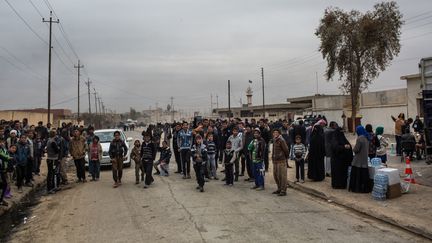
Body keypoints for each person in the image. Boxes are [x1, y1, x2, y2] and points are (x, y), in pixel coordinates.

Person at [349, 126, 372, 193]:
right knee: (363, 176)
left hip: (358, 160)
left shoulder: (360, 138)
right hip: (364, 159)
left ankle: (357, 188)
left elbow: (356, 149)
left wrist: (353, 148)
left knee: (357, 176)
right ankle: (364, 189)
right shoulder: (367, 137)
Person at [271, 129, 290, 196]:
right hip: (275, 161)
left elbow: (286, 150)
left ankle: (283, 190)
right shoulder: (274, 140)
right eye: (274, 132)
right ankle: (279, 188)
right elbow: (273, 149)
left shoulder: (281, 140)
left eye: (276, 132)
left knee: (282, 176)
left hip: (281, 161)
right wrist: (272, 157)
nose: (275, 133)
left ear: (279, 133)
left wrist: (285, 157)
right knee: (276, 175)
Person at [0, 138, 11, 206]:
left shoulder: (3, 149)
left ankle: (1, 199)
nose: (1, 143)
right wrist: (8, 157)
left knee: (4, 184)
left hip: (3, 169)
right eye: (0, 142)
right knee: (3, 184)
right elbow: (4, 157)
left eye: (2, 142)